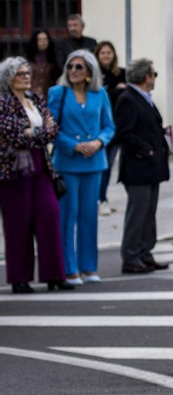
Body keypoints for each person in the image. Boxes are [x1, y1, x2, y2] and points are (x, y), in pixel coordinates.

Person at [0, 56, 68, 293]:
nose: (27, 77)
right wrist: (35, 132)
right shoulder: (3, 103)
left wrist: (33, 132)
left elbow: (53, 129)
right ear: (9, 78)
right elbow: (14, 135)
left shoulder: (37, 99)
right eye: (21, 73)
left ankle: (54, 276)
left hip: (41, 165)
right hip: (13, 171)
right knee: (18, 224)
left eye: (27, 73)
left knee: (50, 216)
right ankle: (19, 279)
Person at [47, 50, 114, 285]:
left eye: (79, 67)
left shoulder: (100, 93)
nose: (73, 71)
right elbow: (51, 129)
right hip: (68, 162)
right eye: (70, 67)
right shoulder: (57, 93)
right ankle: (69, 268)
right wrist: (74, 146)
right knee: (67, 216)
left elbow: (109, 126)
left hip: (94, 162)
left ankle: (88, 267)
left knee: (89, 216)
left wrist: (98, 142)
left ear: (89, 72)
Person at [112, 58, 170, 275]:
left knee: (148, 213)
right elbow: (124, 133)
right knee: (137, 214)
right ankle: (131, 257)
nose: (155, 78)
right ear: (147, 77)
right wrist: (147, 149)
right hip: (138, 167)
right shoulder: (128, 98)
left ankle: (145, 253)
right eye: (154, 74)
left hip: (151, 167)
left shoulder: (144, 98)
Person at [94, 40, 125, 214]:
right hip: (98, 126)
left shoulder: (121, 73)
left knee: (108, 166)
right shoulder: (92, 74)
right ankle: (96, 198)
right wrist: (114, 90)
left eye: (109, 52)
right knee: (98, 165)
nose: (106, 56)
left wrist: (113, 90)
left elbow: (125, 95)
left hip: (116, 127)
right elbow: (99, 95)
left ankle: (103, 198)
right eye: (103, 53)